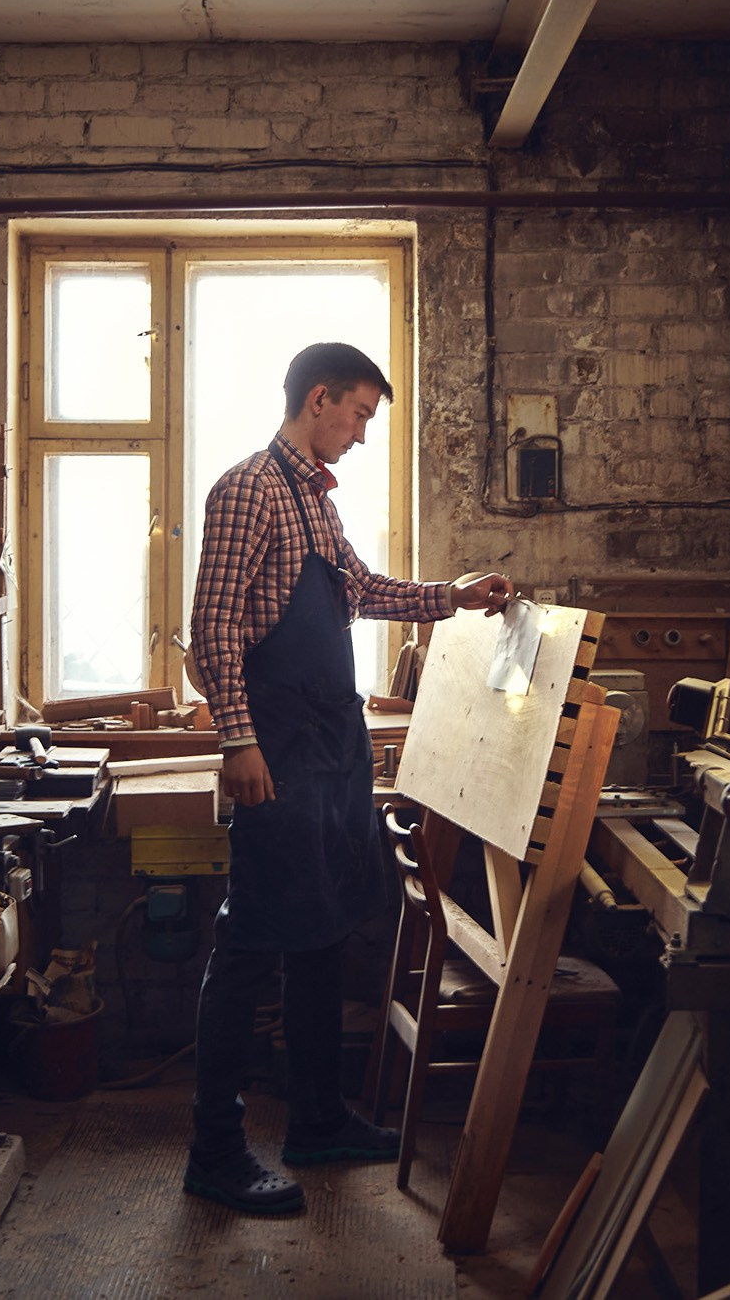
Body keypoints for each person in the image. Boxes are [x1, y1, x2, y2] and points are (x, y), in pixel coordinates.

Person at [184, 341, 514, 1215]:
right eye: (361, 413)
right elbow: (211, 629)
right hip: (276, 744)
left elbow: (360, 591)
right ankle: (215, 1152)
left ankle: (319, 1120)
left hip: (327, 743)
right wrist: (237, 742)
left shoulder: (312, 501)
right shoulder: (249, 488)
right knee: (252, 938)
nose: (365, 434)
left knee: (322, 930)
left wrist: (456, 594)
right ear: (319, 397)